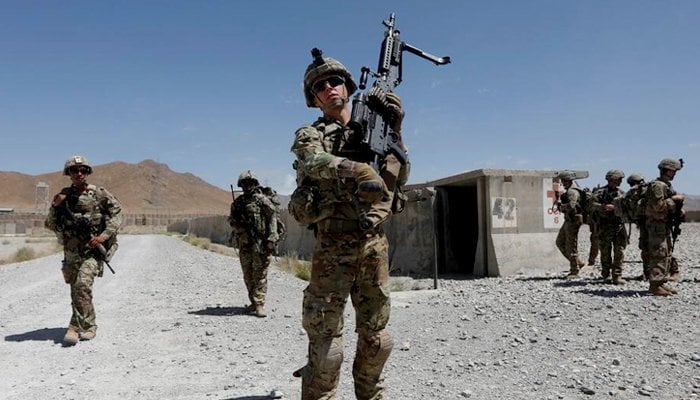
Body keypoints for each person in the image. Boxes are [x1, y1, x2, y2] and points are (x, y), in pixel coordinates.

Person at [289, 50, 410, 399]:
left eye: (335, 81)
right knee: (328, 346)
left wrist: (395, 131)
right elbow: (313, 160)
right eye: (319, 86)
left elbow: (398, 175)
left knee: (377, 338)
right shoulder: (311, 134)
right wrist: (357, 169)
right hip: (333, 246)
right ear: (314, 98)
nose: (328, 88)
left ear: (347, 85)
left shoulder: (375, 126)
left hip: (374, 245)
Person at [44, 155, 122, 346]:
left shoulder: (99, 194)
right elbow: (50, 224)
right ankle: (77, 325)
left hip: (92, 250)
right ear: (68, 174)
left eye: (83, 170)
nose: (79, 173)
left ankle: (85, 326)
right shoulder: (63, 196)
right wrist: (55, 206)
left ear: (88, 173)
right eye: (74, 170)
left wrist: (103, 236)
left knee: (82, 285)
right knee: (76, 290)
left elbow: (116, 214)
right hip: (71, 251)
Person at [227, 170, 279, 318]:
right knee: (248, 274)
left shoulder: (262, 201)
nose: (247, 186)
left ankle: (260, 304)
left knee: (260, 274)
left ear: (255, 184)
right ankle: (253, 302)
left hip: (261, 243)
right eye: (244, 184)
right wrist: (237, 224)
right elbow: (230, 220)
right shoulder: (237, 203)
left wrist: (271, 238)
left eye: (250, 183)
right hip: (244, 243)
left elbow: (272, 219)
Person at [645, 158, 685, 296]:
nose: (675, 174)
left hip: (663, 225)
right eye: (673, 171)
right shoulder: (658, 186)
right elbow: (658, 207)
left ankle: (660, 282)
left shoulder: (665, 185)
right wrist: (673, 201)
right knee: (659, 253)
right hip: (657, 225)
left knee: (666, 253)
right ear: (667, 170)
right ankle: (655, 285)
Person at [590, 170, 627, 284]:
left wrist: (617, 208)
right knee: (605, 251)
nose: (621, 181)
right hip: (604, 226)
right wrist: (603, 207)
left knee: (619, 251)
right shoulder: (600, 192)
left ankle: (617, 275)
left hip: (618, 226)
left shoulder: (621, 193)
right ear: (612, 179)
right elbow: (591, 205)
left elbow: (627, 207)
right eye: (619, 179)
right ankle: (605, 273)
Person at [554, 170, 585, 277]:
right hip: (569, 220)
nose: (562, 182)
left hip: (573, 220)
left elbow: (571, 206)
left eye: (564, 180)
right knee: (560, 242)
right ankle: (578, 262)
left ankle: (574, 270)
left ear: (568, 180)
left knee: (571, 245)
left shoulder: (572, 192)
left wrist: (561, 206)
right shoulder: (569, 191)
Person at [624, 173, 648, 280]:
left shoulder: (634, 191)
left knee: (646, 248)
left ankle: (649, 273)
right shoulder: (650, 188)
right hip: (653, 223)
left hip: (645, 223)